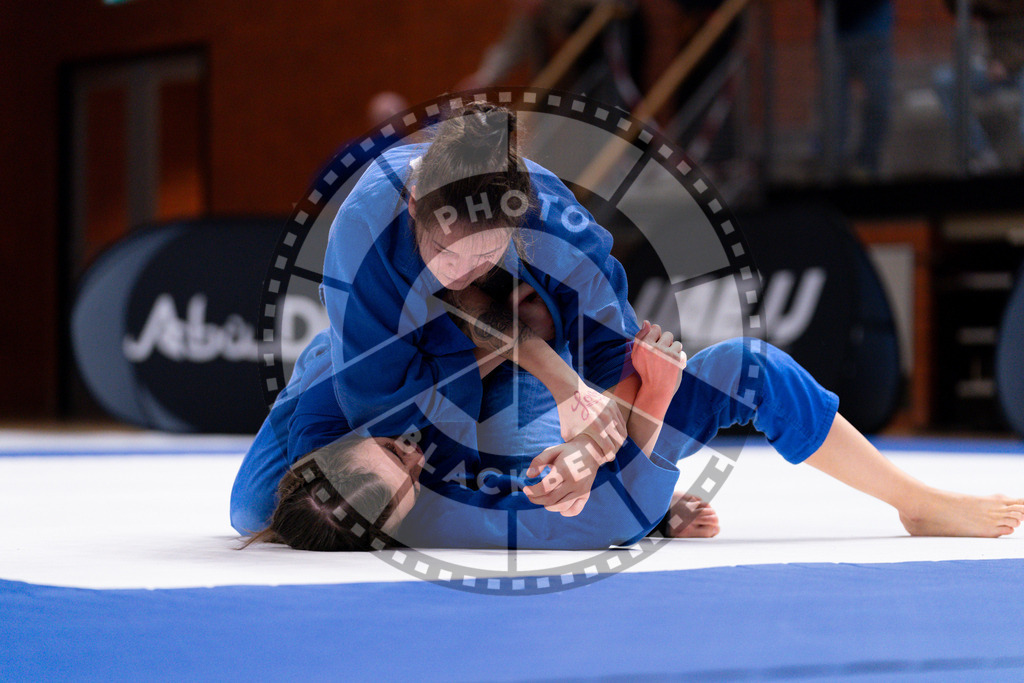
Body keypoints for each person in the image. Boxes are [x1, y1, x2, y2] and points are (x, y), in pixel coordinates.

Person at [933, 0, 1024, 173]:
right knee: (945, 80)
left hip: (1013, 66)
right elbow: (957, 8)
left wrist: (1008, 63)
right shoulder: (988, 7)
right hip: (997, 67)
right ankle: (981, 154)